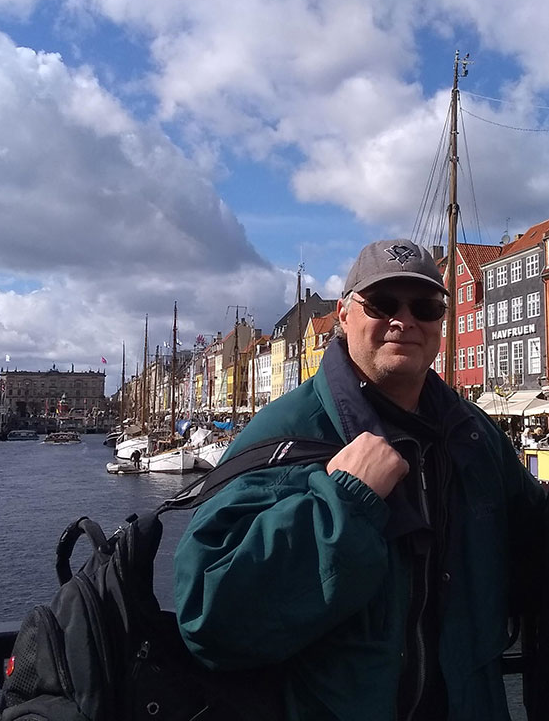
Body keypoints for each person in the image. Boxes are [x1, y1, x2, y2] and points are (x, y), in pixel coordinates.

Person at [174, 238, 546, 720]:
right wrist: (345, 503)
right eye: (383, 303)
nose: (405, 320)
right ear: (345, 316)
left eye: (427, 306)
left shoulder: (474, 437)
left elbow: (534, 548)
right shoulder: (289, 434)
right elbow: (209, 617)